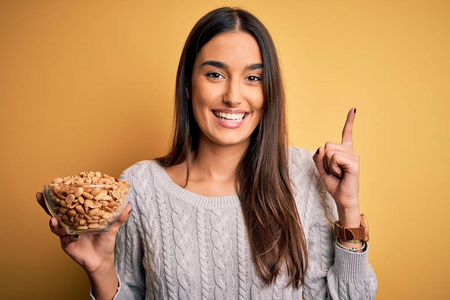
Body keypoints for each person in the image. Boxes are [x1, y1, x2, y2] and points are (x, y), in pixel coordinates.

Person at [37, 7, 377, 299]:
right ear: (188, 85)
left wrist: (348, 209)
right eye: (215, 74)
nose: (232, 96)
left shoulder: (304, 175)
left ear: (269, 90)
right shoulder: (140, 186)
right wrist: (100, 270)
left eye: (253, 78)